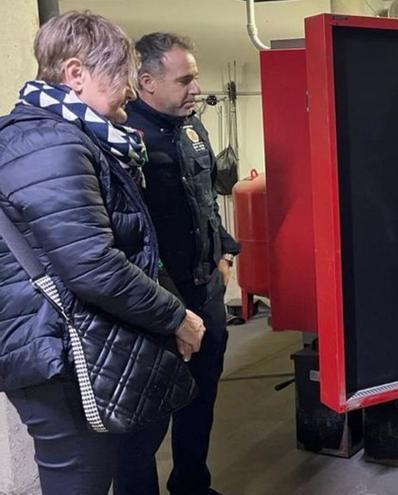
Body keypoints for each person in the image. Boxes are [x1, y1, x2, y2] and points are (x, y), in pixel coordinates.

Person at [0, 11, 205, 495]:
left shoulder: (48, 136)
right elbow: (92, 263)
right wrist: (178, 317)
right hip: (55, 352)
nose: (131, 93)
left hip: (55, 345)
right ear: (76, 74)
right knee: (79, 476)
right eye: (122, 78)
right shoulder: (52, 143)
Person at [113, 32, 240, 495]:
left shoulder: (192, 127)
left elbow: (205, 201)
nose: (194, 89)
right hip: (154, 304)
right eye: (184, 80)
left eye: (196, 78)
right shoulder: (122, 137)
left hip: (204, 289)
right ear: (146, 81)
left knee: (200, 400)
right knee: (144, 422)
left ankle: (191, 486)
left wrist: (225, 252)